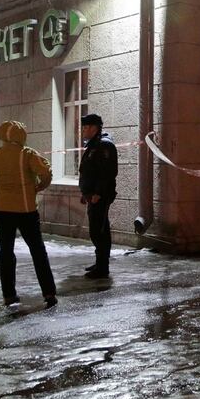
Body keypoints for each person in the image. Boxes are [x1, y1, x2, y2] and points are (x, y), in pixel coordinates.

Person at [0, 120, 57, 307]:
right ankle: (49, 292)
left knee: (6, 252)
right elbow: (46, 172)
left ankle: (9, 295)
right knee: (38, 251)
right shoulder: (27, 154)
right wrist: (40, 186)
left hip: (2, 210)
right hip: (26, 210)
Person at [78, 113, 118, 279]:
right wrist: (85, 193)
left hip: (99, 196)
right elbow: (89, 172)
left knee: (98, 230)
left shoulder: (104, 145)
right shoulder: (94, 144)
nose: (83, 131)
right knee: (98, 229)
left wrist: (98, 193)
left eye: (86, 127)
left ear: (94, 128)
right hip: (92, 195)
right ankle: (100, 262)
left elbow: (107, 173)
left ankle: (103, 267)